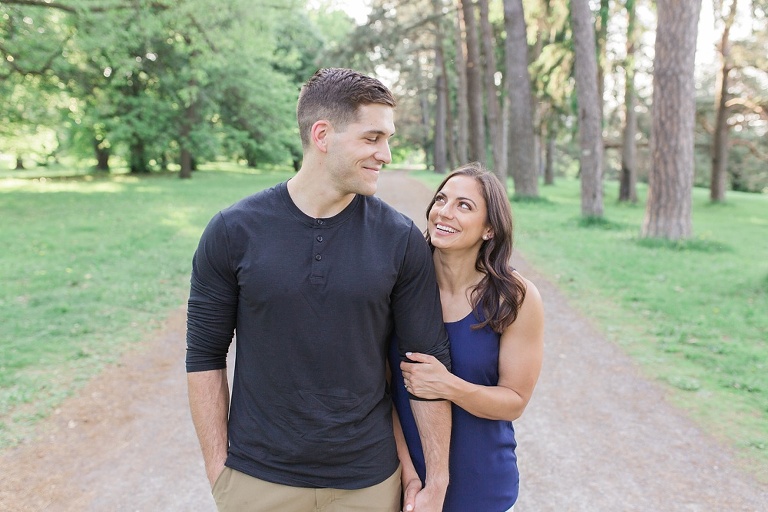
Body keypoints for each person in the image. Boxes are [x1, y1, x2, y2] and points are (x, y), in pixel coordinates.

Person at [185, 68, 452, 512]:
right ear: (323, 134)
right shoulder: (233, 231)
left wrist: (437, 480)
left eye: (387, 139)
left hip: (367, 482)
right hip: (257, 479)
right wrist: (220, 475)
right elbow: (204, 356)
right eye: (372, 138)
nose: (385, 154)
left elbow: (426, 364)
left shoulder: (400, 239)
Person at [388, 163, 545, 512]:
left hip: (483, 486)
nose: (444, 212)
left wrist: (447, 385)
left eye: (464, 205)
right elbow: (381, 391)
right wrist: (410, 476)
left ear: (489, 228)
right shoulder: (398, 283)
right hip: (401, 480)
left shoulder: (515, 297)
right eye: (441, 199)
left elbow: (515, 400)